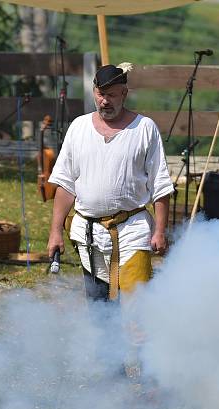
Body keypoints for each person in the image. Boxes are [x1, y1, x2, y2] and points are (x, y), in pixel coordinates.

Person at [46, 63, 174, 301]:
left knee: (135, 309)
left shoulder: (144, 128)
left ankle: (139, 339)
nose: (105, 101)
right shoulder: (78, 128)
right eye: (101, 94)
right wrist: (55, 232)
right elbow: (65, 185)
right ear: (94, 92)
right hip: (89, 234)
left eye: (112, 95)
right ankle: (105, 340)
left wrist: (160, 231)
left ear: (124, 94)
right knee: (99, 311)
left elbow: (160, 186)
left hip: (132, 231)